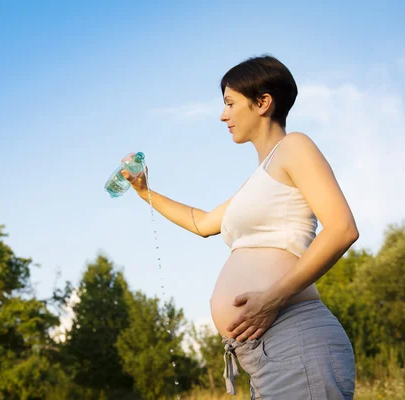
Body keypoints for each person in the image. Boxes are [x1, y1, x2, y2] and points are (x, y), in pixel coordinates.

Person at [121, 54, 359, 400]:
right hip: (266, 356)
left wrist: (273, 298)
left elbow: (342, 229)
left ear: (263, 103)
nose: (223, 115)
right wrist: (144, 193)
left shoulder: (294, 147)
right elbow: (201, 223)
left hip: (295, 340)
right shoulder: (257, 182)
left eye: (230, 103)